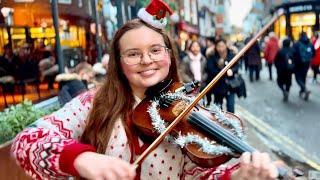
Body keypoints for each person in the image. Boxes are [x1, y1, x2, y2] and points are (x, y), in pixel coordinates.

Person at [11, 1, 279, 180]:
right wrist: (79, 158)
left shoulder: (185, 106)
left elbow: (198, 174)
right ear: (118, 63)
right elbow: (28, 140)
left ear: (169, 56)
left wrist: (236, 175)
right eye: (133, 53)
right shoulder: (93, 102)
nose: (147, 60)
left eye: (155, 50)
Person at [207, 39, 239, 113]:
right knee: (218, 109)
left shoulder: (231, 54)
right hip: (218, 86)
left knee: (231, 108)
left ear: (226, 46)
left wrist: (232, 71)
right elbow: (210, 70)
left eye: (222, 46)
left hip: (230, 86)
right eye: (218, 46)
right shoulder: (212, 56)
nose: (221, 48)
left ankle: (230, 123)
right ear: (215, 47)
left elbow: (236, 66)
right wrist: (222, 70)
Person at [292, 32, 315, 101]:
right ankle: (302, 90)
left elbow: (293, 53)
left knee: (298, 77)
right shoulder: (310, 43)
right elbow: (313, 53)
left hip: (298, 63)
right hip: (307, 63)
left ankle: (304, 89)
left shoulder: (297, 44)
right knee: (303, 76)